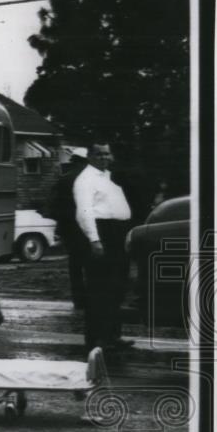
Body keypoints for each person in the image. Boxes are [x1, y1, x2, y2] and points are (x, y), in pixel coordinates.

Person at [72, 143, 133, 350]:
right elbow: (84, 212)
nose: (104, 157)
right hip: (102, 234)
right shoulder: (86, 180)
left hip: (117, 234)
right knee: (99, 289)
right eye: (99, 154)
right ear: (89, 156)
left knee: (116, 287)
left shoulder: (107, 177)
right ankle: (96, 339)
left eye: (107, 153)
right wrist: (94, 240)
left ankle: (112, 336)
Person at [47, 150, 89, 309]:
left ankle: (79, 299)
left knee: (75, 265)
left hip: (70, 229)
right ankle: (93, 297)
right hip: (90, 228)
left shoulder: (64, 180)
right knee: (93, 264)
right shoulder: (92, 179)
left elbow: (53, 205)